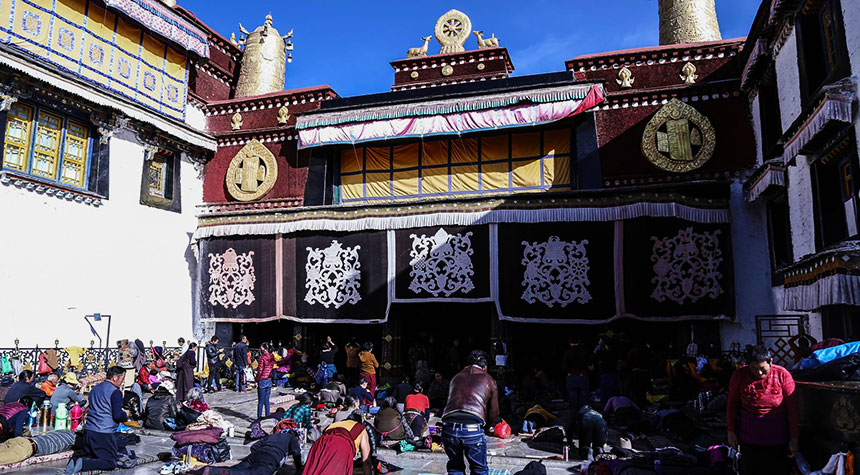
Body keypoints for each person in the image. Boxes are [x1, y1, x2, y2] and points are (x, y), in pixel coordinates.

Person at [727, 345, 798, 475]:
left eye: (762, 368)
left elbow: (792, 408)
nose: (759, 372)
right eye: (753, 368)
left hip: (777, 439)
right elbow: (732, 404)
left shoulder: (782, 374)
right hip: (749, 438)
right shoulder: (739, 375)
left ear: (771, 362)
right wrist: (731, 431)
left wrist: (794, 438)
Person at [441, 350, 499, 475]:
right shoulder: (489, 380)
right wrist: (486, 427)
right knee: (479, 470)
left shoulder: (456, 378)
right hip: (472, 429)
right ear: (485, 366)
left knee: (455, 468)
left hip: (448, 427)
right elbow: (494, 412)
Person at [65, 366, 130, 473]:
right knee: (109, 463)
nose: (123, 381)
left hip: (89, 431)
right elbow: (117, 415)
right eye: (122, 378)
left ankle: (76, 461)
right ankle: (82, 463)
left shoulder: (95, 389)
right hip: (104, 432)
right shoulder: (115, 392)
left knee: (94, 456)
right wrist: (126, 415)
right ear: (115, 378)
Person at [304, 418, 372, 475]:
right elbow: (366, 461)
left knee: (315, 471)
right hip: (340, 445)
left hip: (320, 442)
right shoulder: (361, 428)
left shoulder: (334, 424)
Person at [562, 337, 590, 418]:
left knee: (573, 401)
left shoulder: (567, 353)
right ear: (579, 341)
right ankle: (583, 418)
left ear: (570, 343)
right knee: (583, 400)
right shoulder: (585, 352)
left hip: (571, 377)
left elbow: (564, 368)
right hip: (583, 377)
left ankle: (574, 419)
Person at [256, 342, 274, 420]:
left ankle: (259, 418)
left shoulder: (262, 358)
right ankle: (268, 417)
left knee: (260, 401)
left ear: (264, 348)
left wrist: (256, 380)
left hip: (262, 379)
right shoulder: (272, 356)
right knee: (266, 401)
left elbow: (260, 370)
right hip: (269, 379)